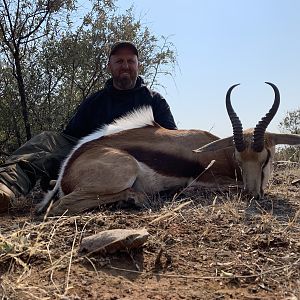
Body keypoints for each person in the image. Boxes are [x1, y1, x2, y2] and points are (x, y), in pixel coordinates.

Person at [0, 41, 177, 213]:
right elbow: (69, 138)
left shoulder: (155, 101)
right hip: (95, 159)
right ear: (110, 66)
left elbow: (172, 141)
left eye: (130, 61)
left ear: (139, 65)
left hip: (136, 164)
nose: (125, 66)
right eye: (119, 61)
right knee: (47, 141)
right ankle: (6, 185)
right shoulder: (95, 101)